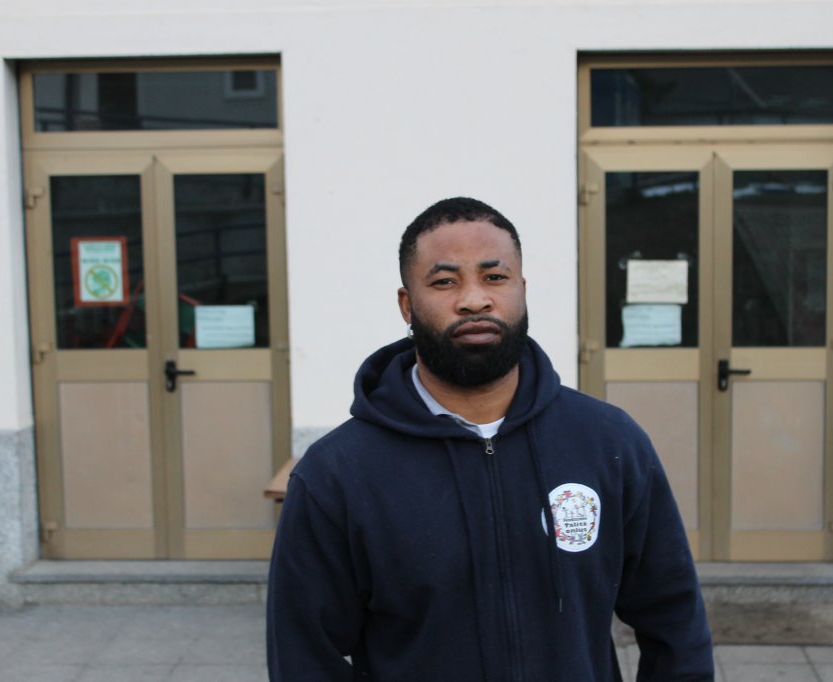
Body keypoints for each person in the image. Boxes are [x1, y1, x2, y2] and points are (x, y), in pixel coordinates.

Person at [267, 197, 714, 681]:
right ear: (406, 304)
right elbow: (304, 657)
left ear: (522, 290)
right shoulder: (338, 474)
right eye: (444, 281)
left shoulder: (609, 441)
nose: (474, 299)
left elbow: (674, 619)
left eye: (494, 277)